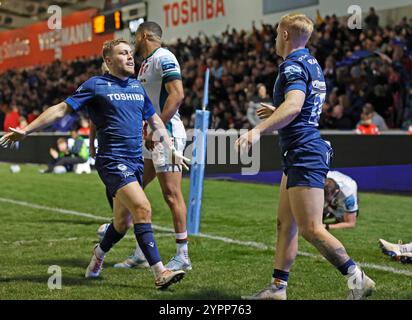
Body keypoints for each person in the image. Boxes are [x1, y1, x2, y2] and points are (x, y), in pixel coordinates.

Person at [0, 39, 190, 289]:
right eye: (123, 53)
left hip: (135, 163)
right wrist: (27, 130)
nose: (131, 57)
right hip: (112, 162)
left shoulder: (136, 87)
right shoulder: (96, 85)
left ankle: (98, 256)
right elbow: (60, 110)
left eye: (131, 53)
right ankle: (160, 272)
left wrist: (171, 149)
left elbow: (155, 121)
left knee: (122, 224)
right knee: (143, 208)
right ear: (108, 61)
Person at [236, 13, 375, 300]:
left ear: (286, 34)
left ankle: (357, 278)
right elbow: (303, 108)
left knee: (311, 228)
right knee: (285, 224)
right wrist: (276, 112)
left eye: (277, 32)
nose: (275, 38)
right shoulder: (311, 62)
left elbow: (296, 106)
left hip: (305, 152)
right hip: (298, 151)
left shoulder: (292, 66)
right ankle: (277, 288)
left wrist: (257, 131)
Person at [114, 21, 192, 272]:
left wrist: (158, 128)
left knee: (171, 194)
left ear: (144, 35)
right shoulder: (146, 63)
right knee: (134, 188)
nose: (133, 42)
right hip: (149, 136)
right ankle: (141, 251)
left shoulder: (164, 57)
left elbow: (177, 95)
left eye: (135, 37)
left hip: (165, 135)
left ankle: (183, 256)